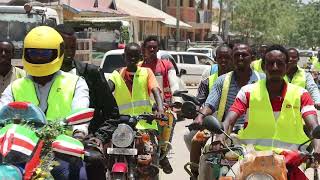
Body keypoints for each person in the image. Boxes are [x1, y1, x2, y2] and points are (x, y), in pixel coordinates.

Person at [0, 26, 89, 179]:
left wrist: (79, 132)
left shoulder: (76, 83)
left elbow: (80, 109)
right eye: (34, 53)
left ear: (58, 53)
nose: (39, 58)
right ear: (25, 53)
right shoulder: (15, 86)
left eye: (45, 53)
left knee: (77, 174)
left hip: (60, 151)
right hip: (19, 150)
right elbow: (2, 110)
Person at [218, 45, 320, 177]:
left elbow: (313, 125)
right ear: (263, 66)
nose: (275, 67)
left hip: (291, 161)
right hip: (251, 159)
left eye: (280, 63)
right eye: (271, 63)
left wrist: (317, 145)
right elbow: (229, 120)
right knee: (226, 176)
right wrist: (221, 136)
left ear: (286, 66)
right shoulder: (247, 91)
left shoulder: (301, 94)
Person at [189, 43, 264, 178]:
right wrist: (200, 116)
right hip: (225, 132)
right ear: (233, 58)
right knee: (207, 159)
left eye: (244, 55)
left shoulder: (262, 81)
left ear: (252, 57)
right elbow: (210, 104)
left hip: (257, 136)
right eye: (237, 55)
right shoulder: (222, 81)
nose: (240, 58)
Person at [55, 24, 119, 180]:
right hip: (49, 140)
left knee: (94, 161)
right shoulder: (39, 76)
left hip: (85, 140)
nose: (69, 52)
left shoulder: (91, 73)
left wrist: (99, 137)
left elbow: (113, 113)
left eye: (73, 47)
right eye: (65, 48)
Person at [107, 43, 165, 175]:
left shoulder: (146, 72)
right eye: (129, 55)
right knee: (105, 151)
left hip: (144, 124)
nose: (132, 58)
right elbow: (106, 91)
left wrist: (160, 110)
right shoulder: (116, 74)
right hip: (120, 125)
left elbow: (156, 91)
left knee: (150, 154)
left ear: (140, 56)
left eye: (135, 55)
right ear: (124, 56)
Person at [140, 35, 180, 174]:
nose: (152, 50)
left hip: (163, 109)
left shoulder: (165, 64)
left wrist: (178, 99)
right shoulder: (139, 67)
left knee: (171, 119)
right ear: (143, 49)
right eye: (149, 47)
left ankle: (163, 154)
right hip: (145, 110)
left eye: (154, 47)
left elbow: (174, 82)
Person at [183, 45, 233, 151]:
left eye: (227, 57)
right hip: (211, 124)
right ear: (215, 59)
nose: (223, 60)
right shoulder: (208, 80)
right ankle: (196, 167)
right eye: (220, 57)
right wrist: (196, 113)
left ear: (232, 58)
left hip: (234, 125)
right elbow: (199, 100)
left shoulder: (239, 79)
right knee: (190, 138)